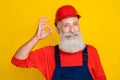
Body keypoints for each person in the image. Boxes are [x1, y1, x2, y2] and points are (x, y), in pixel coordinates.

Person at [11, 5, 106, 80]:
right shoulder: (48, 54)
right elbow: (18, 61)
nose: (72, 30)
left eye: (75, 24)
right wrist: (36, 38)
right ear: (58, 29)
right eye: (66, 26)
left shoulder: (91, 51)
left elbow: (101, 78)